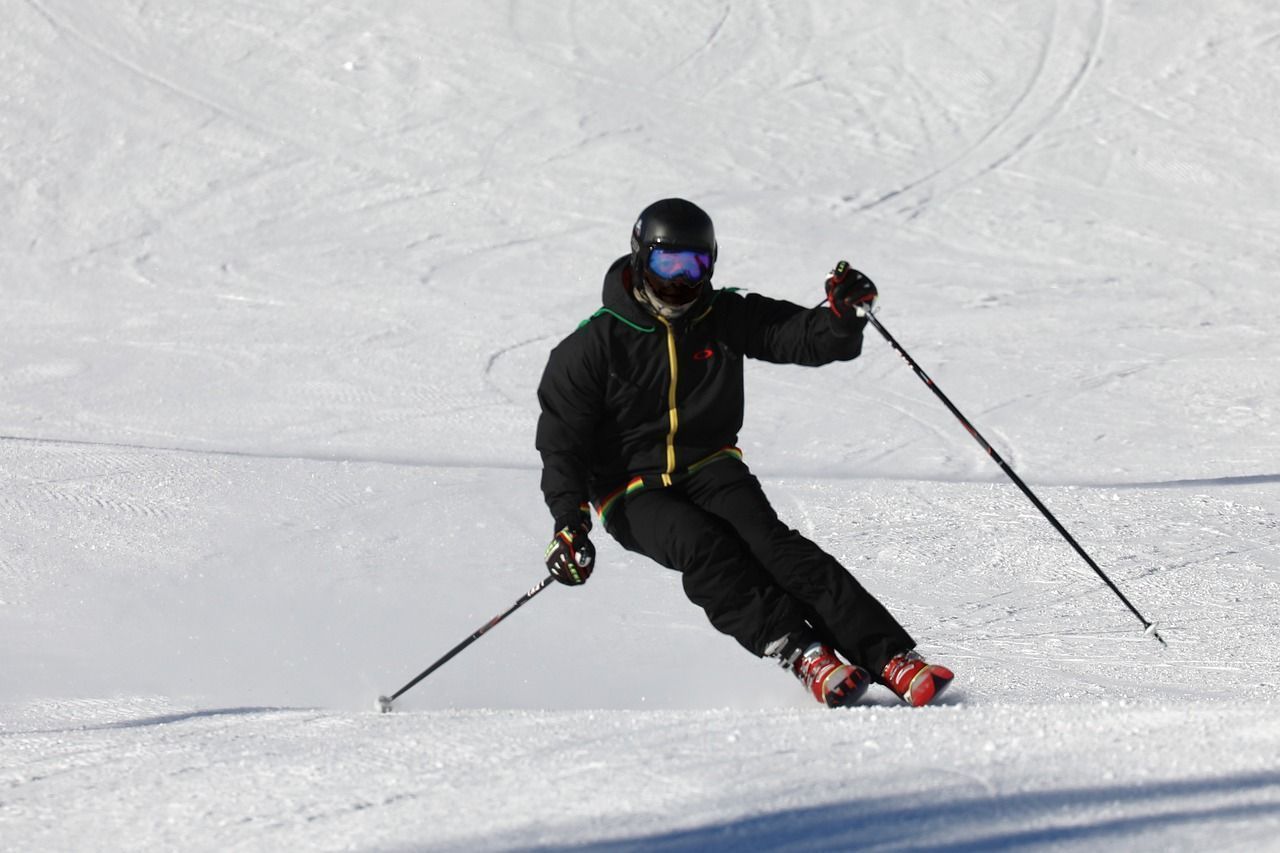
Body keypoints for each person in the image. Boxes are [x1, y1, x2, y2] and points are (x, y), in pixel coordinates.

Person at [535, 198, 953, 708]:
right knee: (702, 545)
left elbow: (796, 335)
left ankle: (889, 656)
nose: (680, 280)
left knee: (773, 545)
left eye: (695, 265)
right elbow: (562, 445)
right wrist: (569, 522)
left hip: (710, 465)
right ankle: (799, 649)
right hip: (631, 489)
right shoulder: (591, 347)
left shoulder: (721, 314)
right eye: (668, 264)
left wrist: (842, 320)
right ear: (640, 258)